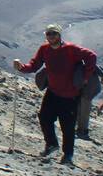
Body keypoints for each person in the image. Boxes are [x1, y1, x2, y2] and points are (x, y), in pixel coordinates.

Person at [13, 24, 97, 164]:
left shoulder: (71, 49)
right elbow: (34, 65)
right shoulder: (44, 49)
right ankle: (51, 144)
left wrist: (86, 77)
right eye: (48, 34)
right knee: (44, 117)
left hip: (70, 95)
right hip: (53, 91)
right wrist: (21, 67)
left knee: (67, 126)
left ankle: (68, 154)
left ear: (59, 35)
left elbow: (91, 56)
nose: (51, 36)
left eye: (54, 33)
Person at [76, 67, 102, 141]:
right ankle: (82, 129)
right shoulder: (91, 65)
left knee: (82, 112)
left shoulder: (79, 66)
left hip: (84, 92)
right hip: (90, 91)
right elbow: (102, 74)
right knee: (84, 112)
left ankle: (83, 130)